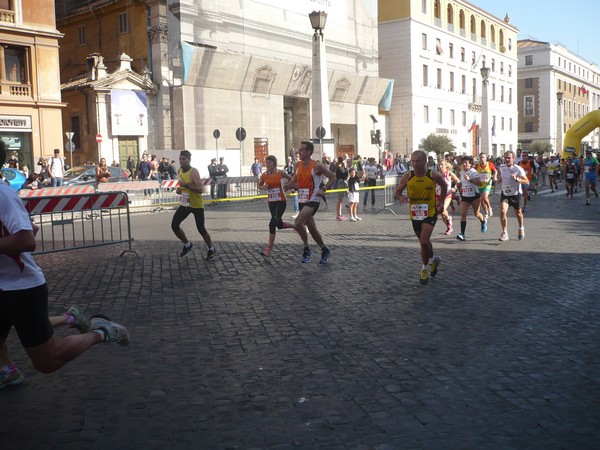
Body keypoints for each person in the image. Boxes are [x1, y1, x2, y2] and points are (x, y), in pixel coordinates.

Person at [0, 141, 130, 384]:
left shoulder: (2, 194)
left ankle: (101, 332)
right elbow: (33, 227)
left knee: (47, 362)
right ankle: (7, 373)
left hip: (21, 289)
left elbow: (27, 239)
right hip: (4, 285)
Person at [1, 304, 91, 388]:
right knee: (25, 324)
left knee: (48, 361)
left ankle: (98, 332)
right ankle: (9, 372)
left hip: (18, 290)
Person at [394, 150, 446, 285]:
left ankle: (424, 268)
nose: (415, 164)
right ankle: (434, 260)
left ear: (425, 162)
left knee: (423, 241)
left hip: (430, 212)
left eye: (418, 161)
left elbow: (445, 186)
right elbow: (397, 191)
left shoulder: (434, 176)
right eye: (413, 161)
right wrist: (401, 197)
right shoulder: (407, 177)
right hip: (415, 214)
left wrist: (441, 203)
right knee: (425, 242)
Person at [286, 140, 335, 264]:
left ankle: (306, 249)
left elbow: (333, 177)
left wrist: (323, 189)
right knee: (312, 229)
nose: (299, 152)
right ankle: (325, 249)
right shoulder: (297, 165)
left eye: (302, 150)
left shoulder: (317, 166)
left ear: (309, 152)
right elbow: (295, 181)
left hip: (313, 199)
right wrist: (288, 186)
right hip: (302, 199)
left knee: (298, 222)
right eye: (299, 149)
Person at [172, 150, 216, 260]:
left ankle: (211, 248)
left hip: (196, 205)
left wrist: (186, 185)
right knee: (174, 225)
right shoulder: (179, 171)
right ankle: (187, 245)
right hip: (185, 204)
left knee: (201, 228)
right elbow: (182, 187)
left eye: (184, 159)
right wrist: (179, 190)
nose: (181, 161)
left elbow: (200, 189)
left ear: (189, 160)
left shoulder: (193, 172)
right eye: (180, 159)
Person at [257, 155, 296, 257]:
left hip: (281, 201)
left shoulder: (280, 173)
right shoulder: (264, 175)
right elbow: (259, 185)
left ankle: (268, 249)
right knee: (278, 224)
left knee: (272, 223)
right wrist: (263, 187)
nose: (267, 164)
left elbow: (291, 178)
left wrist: (288, 186)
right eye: (266, 162)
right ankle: (295, 226)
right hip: (272, 202)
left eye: (269, 162)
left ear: (274, 163)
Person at [497, 150, 528, 241]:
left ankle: (521, 228)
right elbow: (501, 179)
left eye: (509, 158)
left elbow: (526, 181)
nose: (507, 159)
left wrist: (517, 179)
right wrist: (497, 179)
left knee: (518, 213)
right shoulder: (502, 168)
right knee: (502, 211)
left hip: (516, 194)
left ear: (513, 159)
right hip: (505, 193)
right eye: (505, 157)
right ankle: (505, 233)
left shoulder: (518, 169)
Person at [455, 155, 487, 241]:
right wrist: (458, 186)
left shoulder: (474, 172)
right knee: (463, 214)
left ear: (470, 164)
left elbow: (480, 183)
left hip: (474, 196)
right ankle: (462, 234)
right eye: (463, 162)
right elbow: (461, 183)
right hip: (465, 196)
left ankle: (483, 221)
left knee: (476, 214)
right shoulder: (461, 172)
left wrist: (470, 180)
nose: (464, 164)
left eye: (466, 163)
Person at [437, 161, 460, 235]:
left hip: (447, 195)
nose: (440, 166)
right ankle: (449, 227)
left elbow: (458, 181)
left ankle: (449, 219)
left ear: (446, 166)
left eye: (442, 165)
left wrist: (455, 188)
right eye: (439, 165)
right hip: (438, 195)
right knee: (442, 213)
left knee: (442, 209)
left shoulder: (449, 174)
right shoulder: (436, 175)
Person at [475, 153, 497, 218]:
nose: (482, 159)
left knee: (484, 197)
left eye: (483, 157)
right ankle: (486, 212)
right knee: (481, 200)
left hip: (488, 183)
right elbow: (474, 173)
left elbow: (495, 171)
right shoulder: (477, 166)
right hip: (480, 184)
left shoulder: (490, 164)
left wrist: (495, 176)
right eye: (480, 158)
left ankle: (489, 208)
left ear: (486, 158)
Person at [334, 156, 349, 221]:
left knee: (341, 200)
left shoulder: (340, 168)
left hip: (342, 183)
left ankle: (339, 214)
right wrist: (345, 167)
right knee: (339, 200)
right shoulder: (339, 168)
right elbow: (344, 175)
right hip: (341, 184)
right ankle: (338, 215)